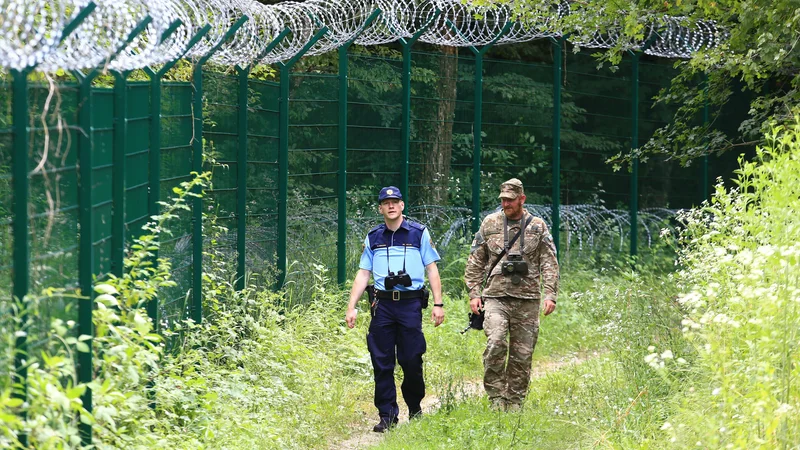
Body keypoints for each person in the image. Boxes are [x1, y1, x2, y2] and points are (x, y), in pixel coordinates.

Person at [345, 186, 445, 433]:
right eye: (386, 202)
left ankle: (415, 407)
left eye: (395, 202)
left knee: (411, 358)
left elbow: (432, 269)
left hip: (410, 304)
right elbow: (363, 273)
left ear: (402, 206)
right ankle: (387, 415)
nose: (391, 206)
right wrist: (352, 306)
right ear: (380, 208)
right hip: (382, 305)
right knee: (381, 360)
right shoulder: (373, 238)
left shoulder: (418, 233)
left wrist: (438, 303)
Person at [463, 178, 559, 411]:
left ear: (522, 199)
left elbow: (549, 261)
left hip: (527, 299)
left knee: (522, 353)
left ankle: (515, 400)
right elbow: (476, 260)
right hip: (496, 297)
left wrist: (550, 293)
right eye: (503, 200)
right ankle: (496, 397)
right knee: (495, 342)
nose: (506, 204)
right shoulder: (490, 223)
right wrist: (474, 294)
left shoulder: (537, 226)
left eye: (510, 200)